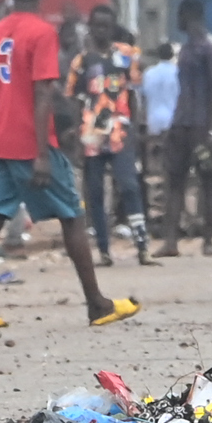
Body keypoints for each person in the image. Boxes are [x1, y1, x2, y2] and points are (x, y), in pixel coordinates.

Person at [0, 0, 135, 337]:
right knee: (72, 217)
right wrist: (42, 153)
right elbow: (42, 92)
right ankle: (96, 303)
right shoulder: (42, 33)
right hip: (30, 143)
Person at [156, 0, 212, 257]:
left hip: (201, 125)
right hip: (181, 123)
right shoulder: (186, 49)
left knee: (207, 181)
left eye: (180, 15)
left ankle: (208, 241)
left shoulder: (211, 48)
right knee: (175, 181)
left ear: (188, 16)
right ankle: (171, 242)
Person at [77, 21, 148, 260]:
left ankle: (142, 245)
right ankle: (104, 249)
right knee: (95, 191)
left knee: (129, 186)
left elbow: (133, 96)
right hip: (93, 134)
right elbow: (75, 97)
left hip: (120, 132)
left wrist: (135, 130)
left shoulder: (127, 60)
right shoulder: (83, 62)